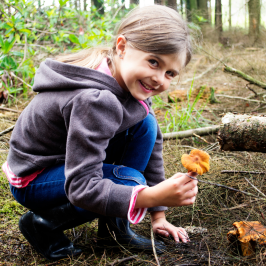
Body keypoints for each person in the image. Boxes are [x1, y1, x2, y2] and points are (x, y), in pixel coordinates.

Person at [2, 4, 198, 261]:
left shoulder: (129, 81)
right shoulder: (95, 99)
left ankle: (115, 228)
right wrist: (147, 196)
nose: (160, 79)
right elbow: (82, 185)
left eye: (170, 73)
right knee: (130, 182)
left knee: (146, 125)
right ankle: (43, 223)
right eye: (153, 62)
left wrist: (157, 214)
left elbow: (153, 146)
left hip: (67, 162)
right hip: (35, 178)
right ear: (122, 47)